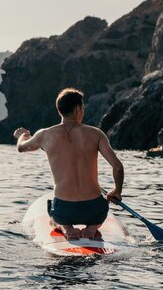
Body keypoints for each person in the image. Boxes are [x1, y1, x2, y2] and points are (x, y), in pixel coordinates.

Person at [13, 88, 124, 240]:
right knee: (99, 209)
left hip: (64, 209)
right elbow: (118, 167)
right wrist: (116, 191)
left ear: (59, 111)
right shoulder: (96, 134)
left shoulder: (45, 135)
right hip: (94, 209)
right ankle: (92, 226)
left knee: (54, 216)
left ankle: (66, 226)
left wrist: (22, 135)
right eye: (82, 107)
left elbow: (21, 147)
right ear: (78, 109)